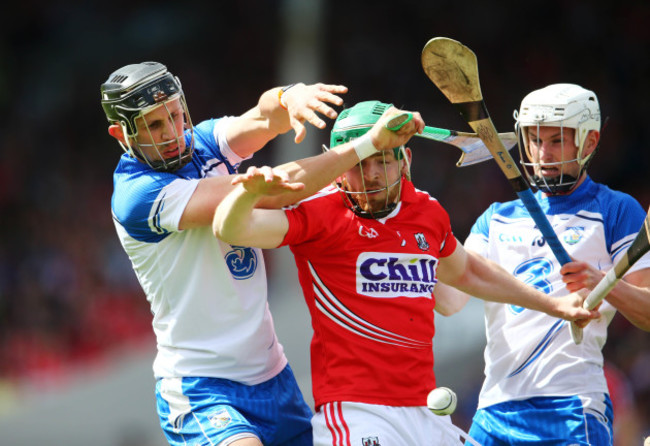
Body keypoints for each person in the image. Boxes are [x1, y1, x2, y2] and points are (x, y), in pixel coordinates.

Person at [212, 100, 597, 446]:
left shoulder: (425, 211)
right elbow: (230, 229)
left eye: (384, 161)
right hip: (356, 412)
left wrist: (553, 304)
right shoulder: (319, 214)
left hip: (426, 409)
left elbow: (469, 273)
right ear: (340, 166)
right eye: (361, 164)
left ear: (404, 160)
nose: (374, 174)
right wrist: (247, 195)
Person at [100, 60, 360, 446]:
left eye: (174, 115)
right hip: (203, 388)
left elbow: (262, 117)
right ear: (122, 134)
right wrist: (364, 147)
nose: (172, 132)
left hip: (274, 376)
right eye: (155, 125)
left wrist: (291, 97)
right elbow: (275, 190)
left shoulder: (202, 142)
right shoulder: (138, 195)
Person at [433, 83, 650, 445]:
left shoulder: (614, 210)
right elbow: (452, 300)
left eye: (556, 141)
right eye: (534, 140)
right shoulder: (496, 219)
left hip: (572, 408)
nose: (543, 153)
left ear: (590, 143)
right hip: (494, 410)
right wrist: (413, 241)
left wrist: (605, 283)